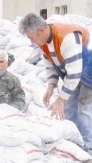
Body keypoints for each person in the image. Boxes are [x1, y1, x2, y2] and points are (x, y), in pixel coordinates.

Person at [19, 12, 92, 154]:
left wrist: (60, 99)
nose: (31, 42)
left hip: (89, 73)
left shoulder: (67, 37)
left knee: (84, 110)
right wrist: (51, 87)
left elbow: (75, 72)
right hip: (75, 74)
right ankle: (73, 144)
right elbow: (50, 65)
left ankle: (88, 148)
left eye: (31, 37)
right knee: (68, 109)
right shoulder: (44, 42)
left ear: (41, 30)